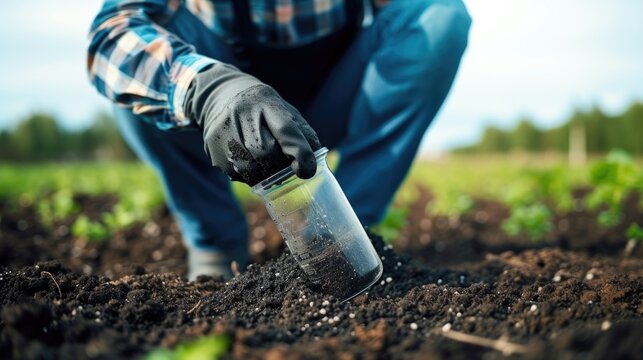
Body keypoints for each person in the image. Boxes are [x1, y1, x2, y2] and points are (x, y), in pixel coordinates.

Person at [87, 0, 471, 280]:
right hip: (222, 112)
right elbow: (113, 34)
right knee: (142, 74)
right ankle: (217, 244)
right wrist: (208, 90)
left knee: (437, 17)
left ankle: (339, 237)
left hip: (327, 101)